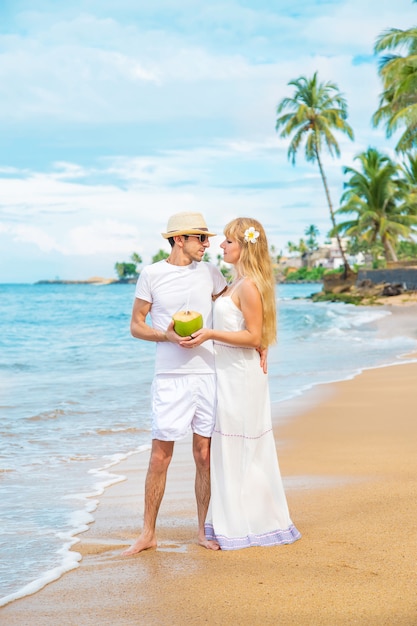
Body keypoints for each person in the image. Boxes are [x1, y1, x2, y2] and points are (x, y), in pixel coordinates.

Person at [180, 217, 301, 550]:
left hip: (242, 377)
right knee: (231, 445)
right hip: (230, 374)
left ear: (245, 246)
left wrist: (210, 334)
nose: (221, 246)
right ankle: (234, 519)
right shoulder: (235, 283)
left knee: (242, 445)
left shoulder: (248, 286)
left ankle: (253, 523)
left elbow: (253, 335)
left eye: (229, 242)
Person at [122, 212, 227, 556]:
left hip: (208, 374)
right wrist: (165, 336)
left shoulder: (211, 273)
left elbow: (232, 310)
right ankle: (148, 533)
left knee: (204, 455)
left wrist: (255, 344)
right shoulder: (152, 274)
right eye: (201, 238)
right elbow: (137, 325)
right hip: (170, 377)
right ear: (179, 239)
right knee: (159, 458)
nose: (207, 244)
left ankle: (201, 530)